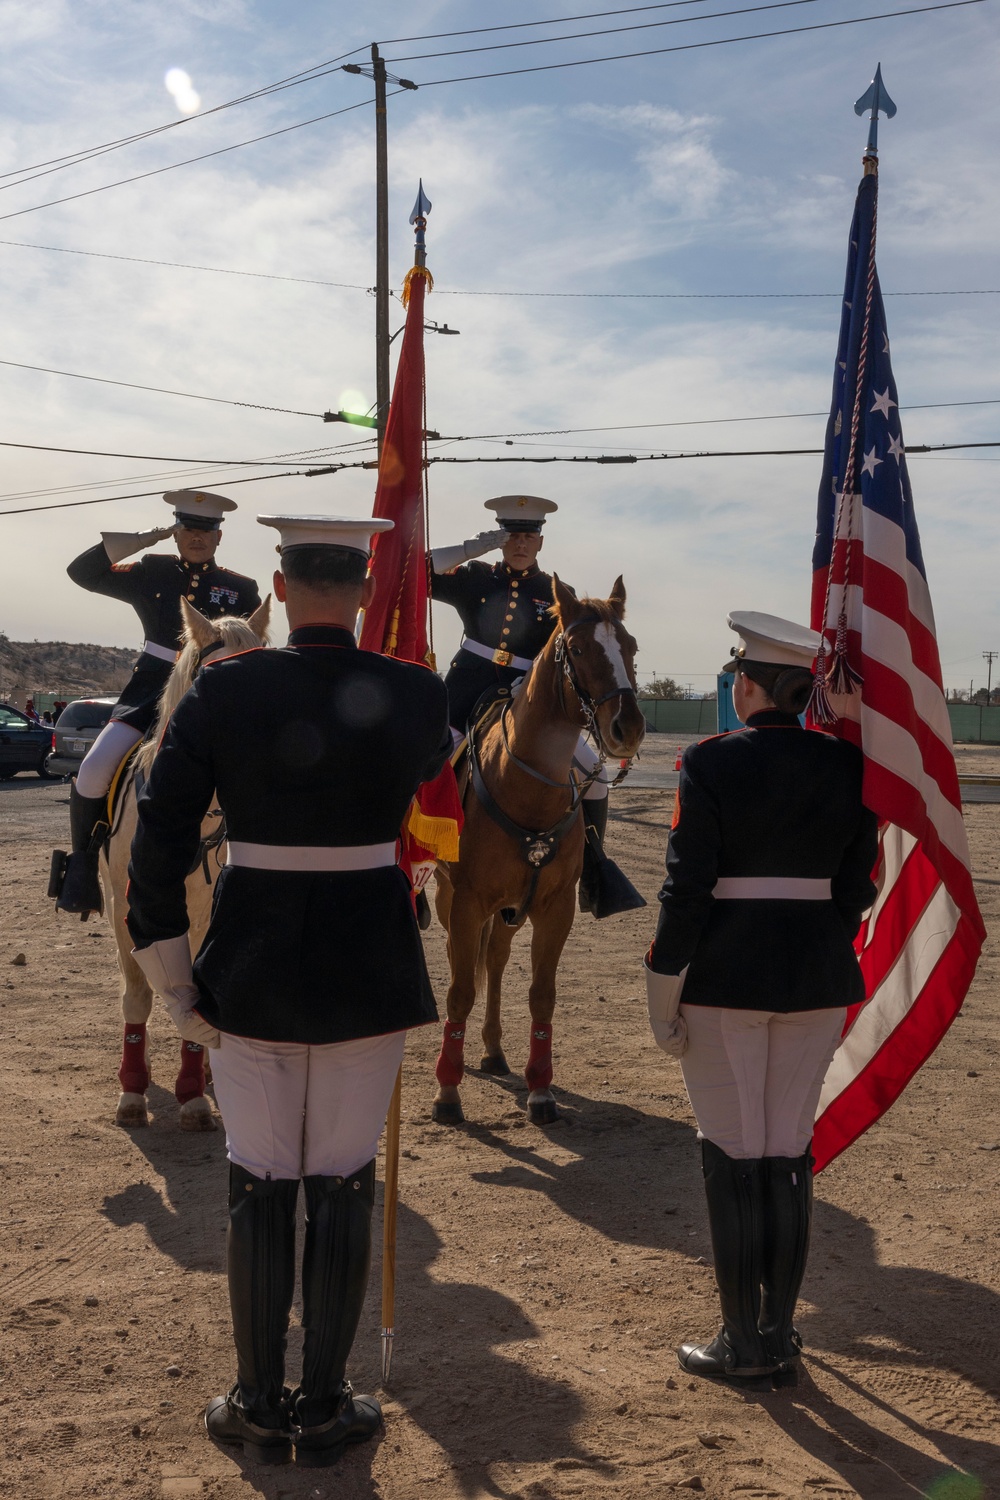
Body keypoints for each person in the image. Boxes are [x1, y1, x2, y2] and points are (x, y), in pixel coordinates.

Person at [126, 513, 451, 1468]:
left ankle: (258, 1402)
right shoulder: (416, 692)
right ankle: (327, 1398)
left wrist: (173, 979)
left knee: (261, 1181)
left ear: (277, 578)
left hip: (253, 963)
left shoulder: (226, 692)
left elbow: (159, 842)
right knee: (344, 1181)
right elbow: (432, 776)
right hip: (368, 964)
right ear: (360, 589)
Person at [645, 611, 878, 1387]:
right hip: (816, 978)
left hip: (724, 981)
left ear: (747, 686)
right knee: (786, 1151)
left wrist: (662, 983)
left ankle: (741, 1339)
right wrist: (814, 938)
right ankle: (777, 1333)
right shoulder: (850, 767)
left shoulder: (710, 761)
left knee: (732, 1150)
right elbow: (856, 888)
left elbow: (687, 889)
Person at [430, 495, 642, 918]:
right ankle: (413, 863)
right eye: (511, 536)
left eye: (528, 536)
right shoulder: (474, 576)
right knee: (426, 759)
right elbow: (412, 569)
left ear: (540, 543)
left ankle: (594, 869)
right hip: (468, 687)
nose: (520, 544)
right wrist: (472, 548)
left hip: (526, 695)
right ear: (501, 539)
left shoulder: (555, 596)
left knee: (594, 774)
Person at [54, 489, 261, 916]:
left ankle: (261, 874)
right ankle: (83, 867)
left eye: (207, 529)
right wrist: (144, 539)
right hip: (149, 693)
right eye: (187, 527)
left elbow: (256, 647)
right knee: (93, 771)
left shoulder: (241, 589)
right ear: (176, 531)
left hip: (214, 696)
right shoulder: (151, 570)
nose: (197, 536)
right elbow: (82, 571)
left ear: (219, 536)